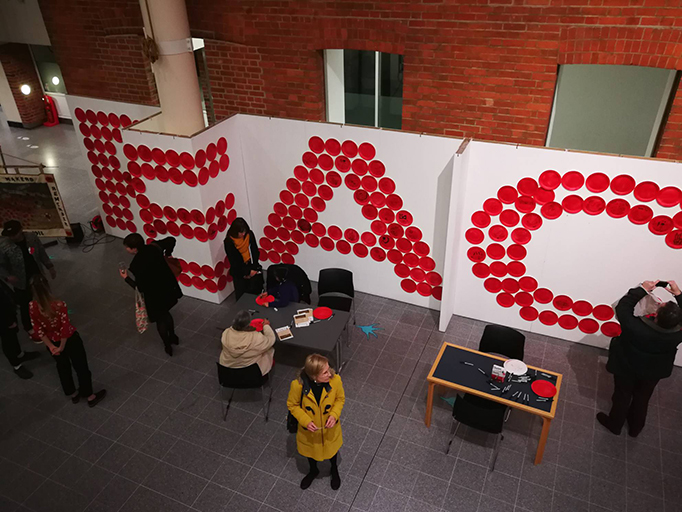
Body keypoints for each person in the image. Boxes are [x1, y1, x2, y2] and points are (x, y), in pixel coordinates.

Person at [597, 280, 682, 437]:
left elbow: (623, 307)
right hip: (654, 371)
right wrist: (678, 294)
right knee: (642, 397)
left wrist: (642, 289)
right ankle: (636, 428)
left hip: (627, 366)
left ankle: (615, 424)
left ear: (656, 315)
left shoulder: (636, 327)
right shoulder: (677, 334)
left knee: (622, 394)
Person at [29, 274, 106, 407]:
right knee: (81, 366)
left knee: (62, 367)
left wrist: (52, 346)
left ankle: (72, 394)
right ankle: (89, 395)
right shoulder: (59, 304)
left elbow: (38, 329)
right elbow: (65, 328)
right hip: (69, 340)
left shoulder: (32, 306)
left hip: (51, 341)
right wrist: (62, 345)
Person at [287, 354, 345, 490]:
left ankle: (333, 469)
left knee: (332, 451)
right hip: (310, 430)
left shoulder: (335, 380)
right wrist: (305, 421)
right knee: (311, 451)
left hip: (329, 428)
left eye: (328, 368)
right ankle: (313, 470)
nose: (329, 373)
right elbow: (292, 405)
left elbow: (340, 399)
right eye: (325, 372)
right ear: (314, 376)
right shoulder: (297, 386)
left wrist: (334, 415)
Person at [120, 234, 182, 357]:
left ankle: (167, 345)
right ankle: (173, 336)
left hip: (154, 296)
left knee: (160, 319)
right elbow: (171, 240)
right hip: (167, 288)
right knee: (166, 313)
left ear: (133, 248)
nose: (126, 249)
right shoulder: (154, 247)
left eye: (127, 247)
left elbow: (140, 287)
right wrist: (168, 254)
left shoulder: (136, 264)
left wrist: (126, 278)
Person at [0, 220, 56, 340]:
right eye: (9, 235)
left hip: (36, 274)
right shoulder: (4, 245)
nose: (12, 237)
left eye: (14, 234)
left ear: (21, 230)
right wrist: (7, 276)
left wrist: (49, 266)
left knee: (45, 296)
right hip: (20, 280)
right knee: (25, 304)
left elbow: (41, 252)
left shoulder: (32, 238)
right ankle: (29, 327)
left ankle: (50, 318)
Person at [220, 310, 276, 379]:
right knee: (268, 350)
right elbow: (270, 340)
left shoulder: (226, 333)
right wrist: (266, 326)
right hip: (251, 376)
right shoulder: (256, 338)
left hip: (228, 372)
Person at [1, 279, 39, 378]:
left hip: (7, 313)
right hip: (3, 320)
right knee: (7, 341)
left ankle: (20, 354)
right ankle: (16, 365)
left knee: (12, 335)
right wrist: (8, 321)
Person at [223, 217, 262, 300]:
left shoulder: (249, 234)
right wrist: (246, 272)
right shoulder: (229, 241)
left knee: (253, 289)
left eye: (244, 231)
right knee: (241, 292)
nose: (243, 234)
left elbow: (254, 250)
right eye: (241, 232)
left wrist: (254, 266)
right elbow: (234, 261)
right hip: (238, 269)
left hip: (248, 263)